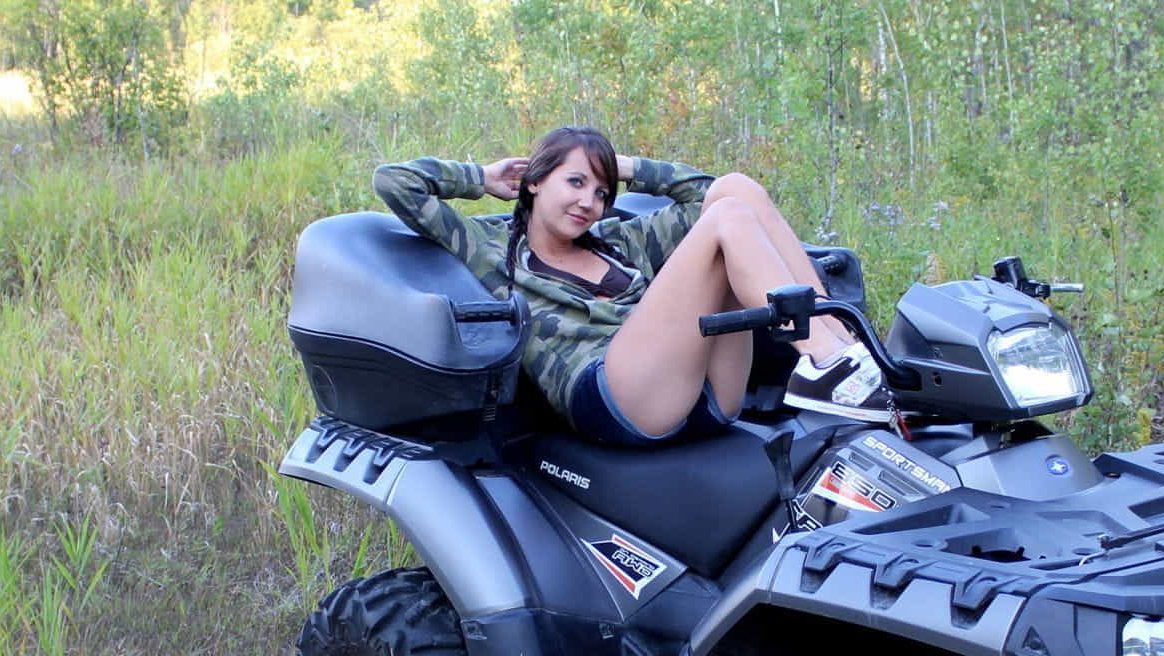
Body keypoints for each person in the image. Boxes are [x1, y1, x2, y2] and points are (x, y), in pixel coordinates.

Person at [373, 126, 891, 446]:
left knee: (735, 191)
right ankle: (827, 362)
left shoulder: (621, 241)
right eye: (575, 182)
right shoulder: (489, 247)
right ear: (534, 180)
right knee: (726, 218)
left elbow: (707, 192)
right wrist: (482, 178)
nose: (589, 202)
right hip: (612, 398)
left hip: (704, 396)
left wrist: (619, 165)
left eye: (602, 192)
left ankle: (852, 358)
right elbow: (395, 182)